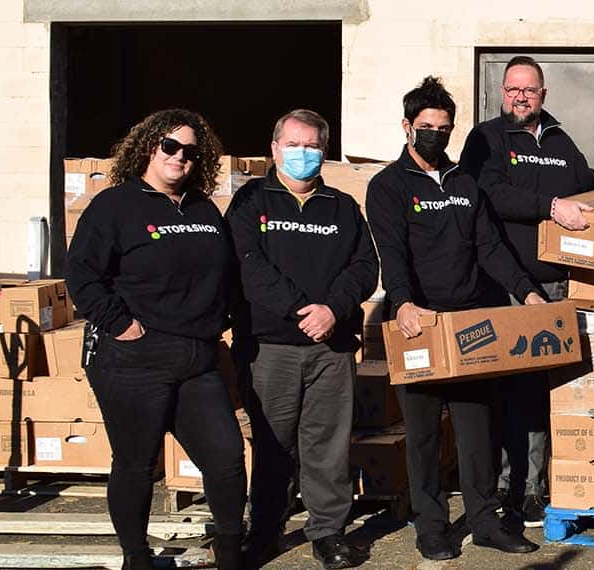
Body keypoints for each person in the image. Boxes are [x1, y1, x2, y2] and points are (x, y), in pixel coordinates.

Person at [459, 55, 594, 525]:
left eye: (529, 89)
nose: (521, 96)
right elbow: (486, 193)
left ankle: (532, 486)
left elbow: (586, 186)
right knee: (509, 388)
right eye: (513, 89)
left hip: (559, 283)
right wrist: (550, 207)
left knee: (547, 388)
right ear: (501, 92)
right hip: (508, 284)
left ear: (543, 94)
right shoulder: (486, 139)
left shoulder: (561, 140)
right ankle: (506, 487)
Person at [366, 76, 544, 561]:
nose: (436, 137)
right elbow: (392, 253)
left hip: (468, 325)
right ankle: (431, 525)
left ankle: (485, 521)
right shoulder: (387, 187)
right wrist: (402, 303)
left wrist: (526, 292)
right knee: (422, 435)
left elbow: (489, 246)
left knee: (476, 432)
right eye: (427, 128)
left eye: (444, 129)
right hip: (417, 324)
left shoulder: (466, 181)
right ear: (407, 127)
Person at [66, 109, 246, 570]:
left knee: (226, 460)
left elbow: (227, 273)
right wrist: (121, 324)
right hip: (134, 358)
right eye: (170, 146)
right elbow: (83, 275)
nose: (180, 156)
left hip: (197, 358)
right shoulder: (115, 205)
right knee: (136, 463)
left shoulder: (203, 207)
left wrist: (222, 318)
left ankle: (228, 549)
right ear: (149, 146)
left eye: (191, 151)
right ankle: (137, 556)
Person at [226, 109, 378, 569]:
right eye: (293, 145)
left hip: (330, 348)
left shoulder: (341, 207)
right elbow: (246, 264)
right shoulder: (252, 201)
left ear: (324, 153)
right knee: (273, 445)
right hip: (270, 347)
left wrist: (333, 309)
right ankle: (267, 529)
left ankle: (328, 531)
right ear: (274, 149)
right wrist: (299, 311)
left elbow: (364, 267)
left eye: (311, 146)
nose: (302, 154)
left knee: (327, 445)